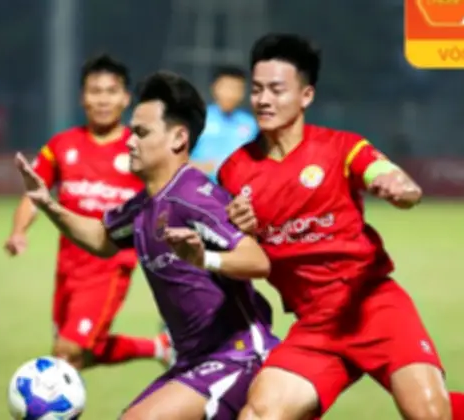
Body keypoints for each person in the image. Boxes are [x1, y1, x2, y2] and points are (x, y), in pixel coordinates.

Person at [218, 33, 464, 420]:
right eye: (257, 89)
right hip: (316, 325)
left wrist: (399, 187)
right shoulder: (233, 172)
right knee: (258, 416)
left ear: (306, 96)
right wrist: (239, 231)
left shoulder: (340, 147)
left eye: (277, 90)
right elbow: (242, 256)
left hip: (373, 306)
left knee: (430, 413)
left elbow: (386, 174)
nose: (263, 100)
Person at [14, 70, 278, 420]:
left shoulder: (194, 195)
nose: (129, 141)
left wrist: (205, 259)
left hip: (237, 356)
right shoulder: (144, 205)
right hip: (192, 361)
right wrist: (48, 204)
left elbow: (257, 260)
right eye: (131, 131)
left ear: (178, 138)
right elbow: (102, 238)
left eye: (141, 132)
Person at [3, 54, 169, 370]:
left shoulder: (140, 148)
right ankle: (160, 348)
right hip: (68, 266)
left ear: (126, 98)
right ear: (83, 97)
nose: (103, 100)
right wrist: (19, 231)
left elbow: (166, 193)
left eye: (111, 91)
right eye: (95, 91)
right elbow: (34, 195)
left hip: (110, 265)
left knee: (67, 351)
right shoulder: (61, 145)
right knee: (78, 352)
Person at [190, 65, 258, 182]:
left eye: (236, 89)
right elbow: (177, 158)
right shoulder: (198, 118)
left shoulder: (252, 124)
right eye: (226, 87)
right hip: (199, 186)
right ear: (214, 88)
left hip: (235, 188)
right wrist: (203, 167)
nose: (230, 94)